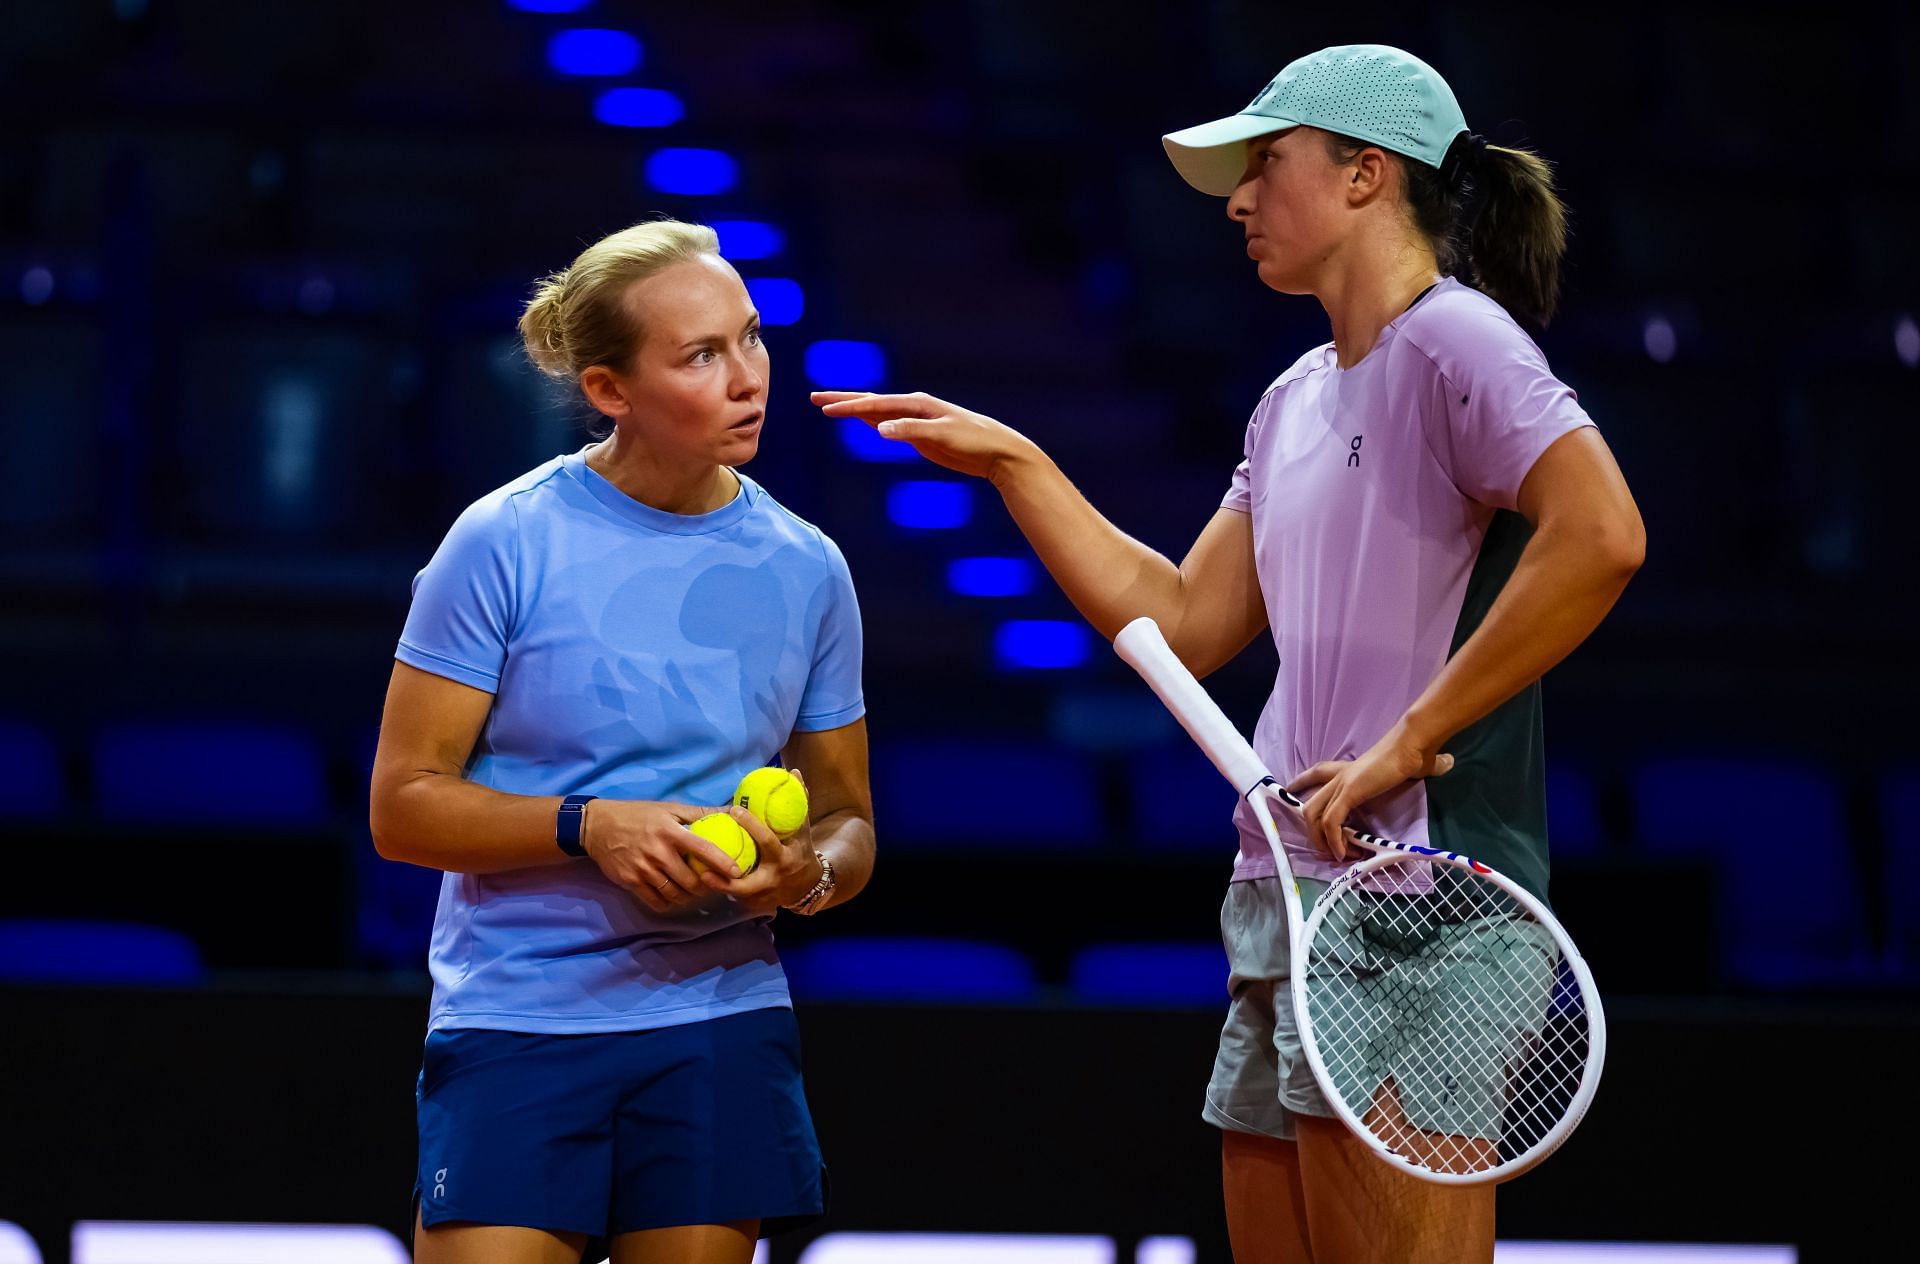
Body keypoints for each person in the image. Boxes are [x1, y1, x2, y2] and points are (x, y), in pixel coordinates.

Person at [816, 44, 1641, 1264]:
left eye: (1267, 164)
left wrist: (1408, 739)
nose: (1240, 200)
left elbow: (1603, 536)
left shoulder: (1461, 344)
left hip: (1427, 900)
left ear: (1367, 175)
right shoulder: (1294, 397)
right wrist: (1015, 467)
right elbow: (1190, 618)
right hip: (1288, 892)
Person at [370, 218, 874, 1264]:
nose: (748, 378)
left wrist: (799, 876)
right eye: (700, 355)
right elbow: (403, 805)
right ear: (609, 389)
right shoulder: (502, 541)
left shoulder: (810, 568)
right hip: (518, 1020)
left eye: (751, 338)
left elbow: (848, 822)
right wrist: (588, 825)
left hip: (717, 1021)